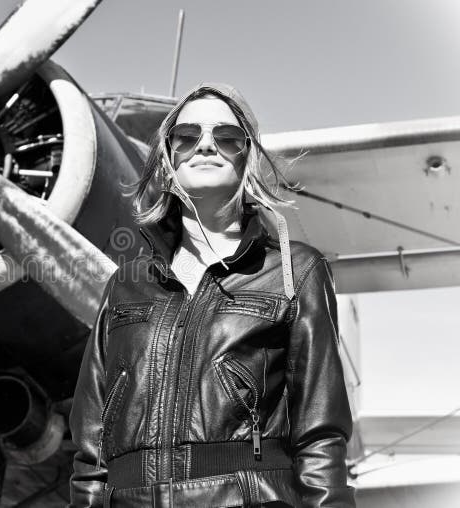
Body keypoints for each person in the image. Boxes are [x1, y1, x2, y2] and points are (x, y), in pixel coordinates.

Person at [68, 82, 354, 507]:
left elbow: (320, 435)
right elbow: (91, 452)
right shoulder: (124, 284)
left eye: (226, 137)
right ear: (168, 159)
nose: (205, 146)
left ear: (247, 156)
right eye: (186, 136)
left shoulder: (297, 271)